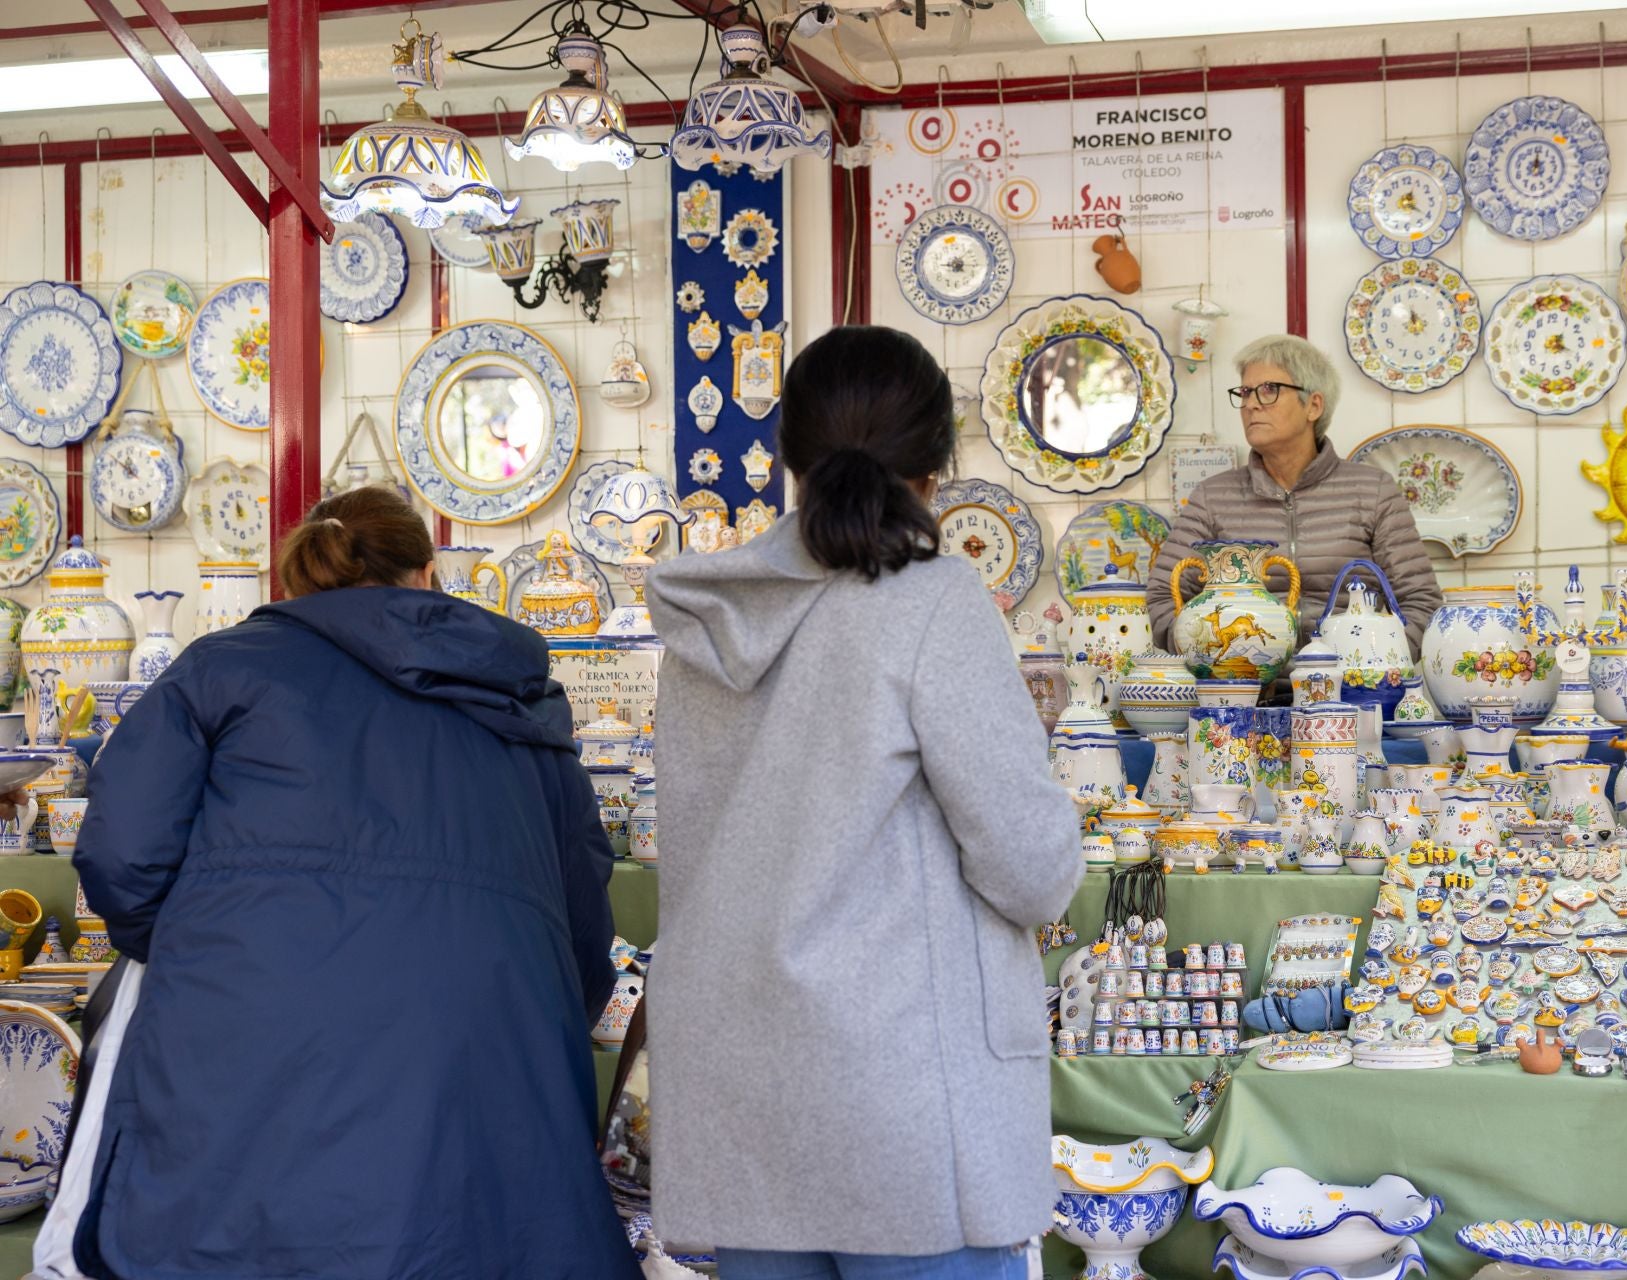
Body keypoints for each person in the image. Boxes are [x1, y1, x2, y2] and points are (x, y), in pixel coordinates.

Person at [47, 486, 634, 1279]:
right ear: (427, 576)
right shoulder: (520, 695)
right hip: (479, 1057)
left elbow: (119, 855)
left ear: (298, 582)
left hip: (248, 1038)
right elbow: (582, 913)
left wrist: (206, 947)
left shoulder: (218, 669)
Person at [645, 326, 1083, 1280]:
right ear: (938, 464)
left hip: (743, 1086)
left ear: (789, 456)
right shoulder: (932, 598)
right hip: (902, 1098)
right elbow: (1030, 868)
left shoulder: (710, 617)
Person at [1147, 334, 1443, 669]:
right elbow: (1160, 597)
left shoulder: (1372, 490)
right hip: (1244, 695)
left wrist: (1372, 668)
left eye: (1269, 390)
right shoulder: (1213, 497)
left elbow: (1422, 602)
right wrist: (1210, 662)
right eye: (1244, 392)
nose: (1251, 404)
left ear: (1313, 405)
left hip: (1349, 694)